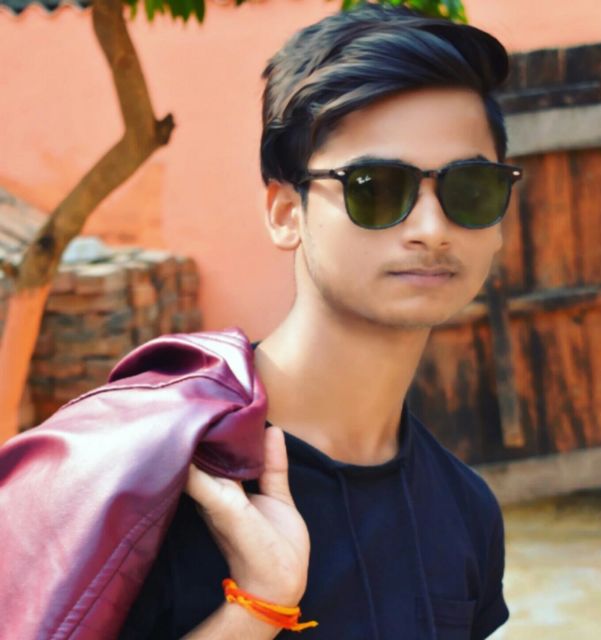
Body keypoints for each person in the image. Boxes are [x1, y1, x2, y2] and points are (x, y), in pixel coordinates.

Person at [120, 3, 522, 638]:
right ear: (286, 213)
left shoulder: (467, 512)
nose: (431, 228)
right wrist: (256, 608)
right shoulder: (155, 474)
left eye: (470, 188)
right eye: (375, 186)